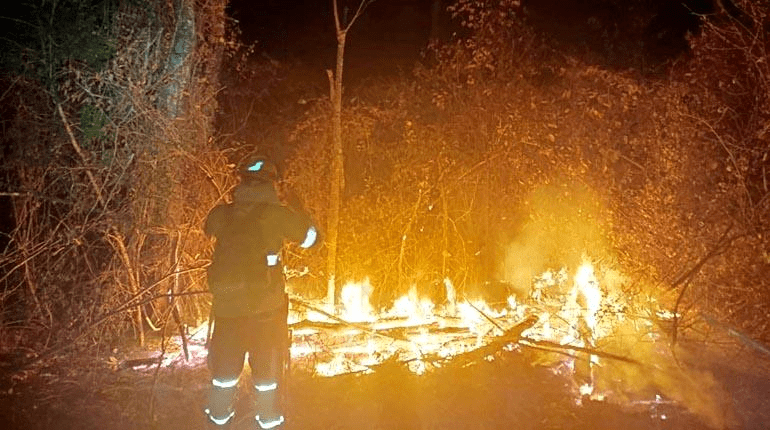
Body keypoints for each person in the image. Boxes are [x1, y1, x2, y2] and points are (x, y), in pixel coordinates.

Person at [203, 157, 318, 430]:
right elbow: (312, 239)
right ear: (271, 184)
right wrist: (299, 207)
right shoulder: (277, 215)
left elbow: (208, 230)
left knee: (223, 379)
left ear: (241, 181)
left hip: (227, 312)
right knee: (266, 381)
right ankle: (268, 423)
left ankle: (218, 422)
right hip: (266, 313)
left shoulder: (222, 214)